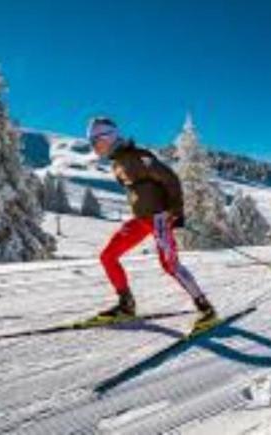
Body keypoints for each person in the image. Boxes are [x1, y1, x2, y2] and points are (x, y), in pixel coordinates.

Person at [87, 117, 218, 332]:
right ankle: (126, 305)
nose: (94, 147)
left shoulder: (139, 157)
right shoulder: (118, 164)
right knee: (108, 256)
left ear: (108, 137)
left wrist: (176, 211)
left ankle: (206, 309)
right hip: (141, 220)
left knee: (170, 264)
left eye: (96, 141)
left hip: (159, 218)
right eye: (92, 143)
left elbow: (170, 179)